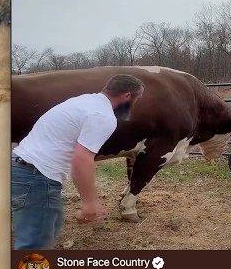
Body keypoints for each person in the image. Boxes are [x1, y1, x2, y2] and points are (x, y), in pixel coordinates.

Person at [10, 74, 144, 250]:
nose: (135, 104)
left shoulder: (84, 101)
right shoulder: (103, 116)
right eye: (137, 99)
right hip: (37, 177)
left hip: (18, 166)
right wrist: (90, 202)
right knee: (35, 244)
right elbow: (81, 159)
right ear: (127, 96)